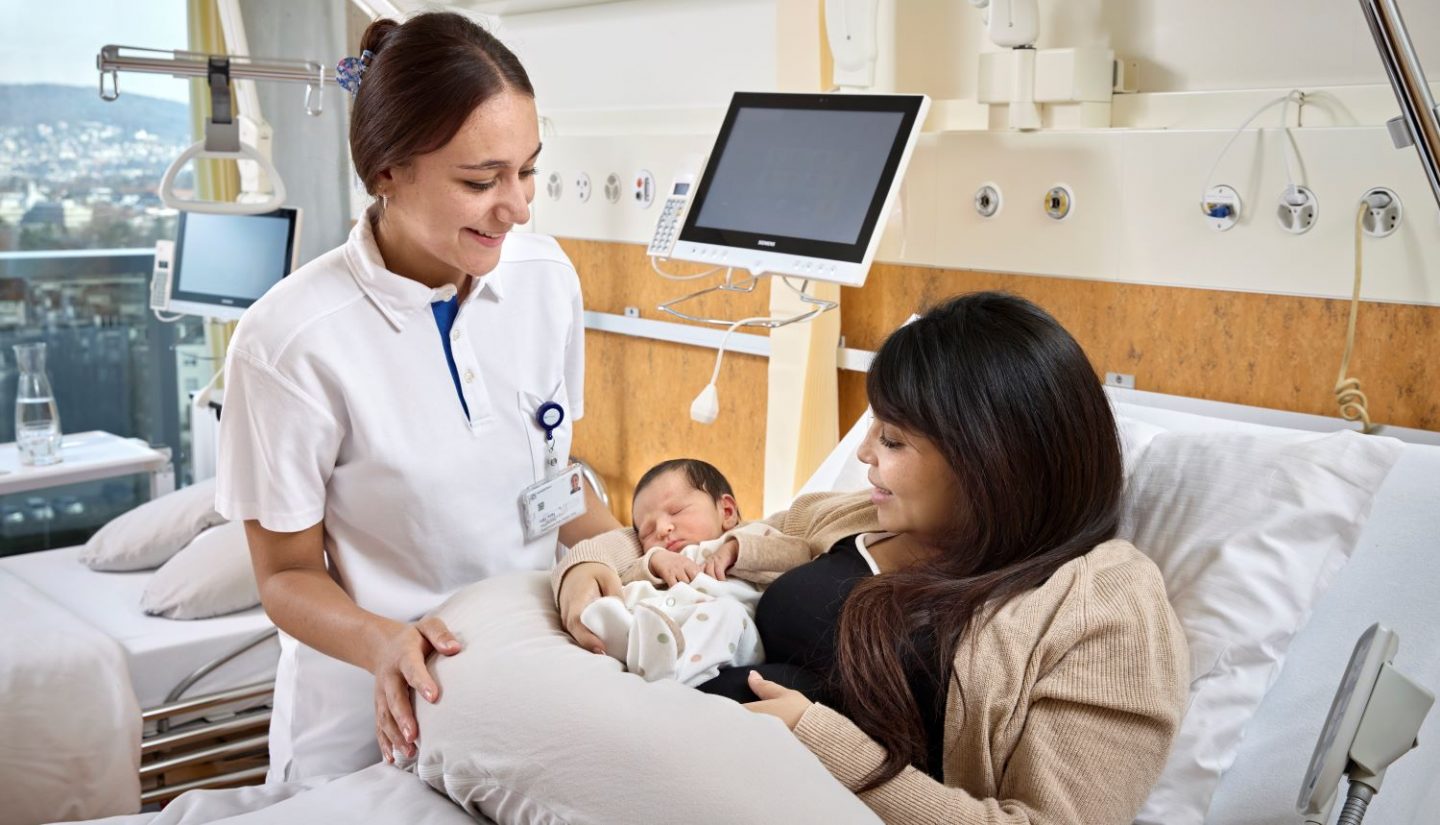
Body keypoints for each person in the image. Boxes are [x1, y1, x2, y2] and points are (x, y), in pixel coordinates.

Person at [554, 292, 1190, 823]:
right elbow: (669, 548)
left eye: (891, 438)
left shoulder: (1104, 605)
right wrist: (586, 568)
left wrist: (816, 741)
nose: (863, 454)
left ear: (990, 459)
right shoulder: (848, 517)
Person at [215, 12, 622, 781]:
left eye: (528, 169)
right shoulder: (290, 341)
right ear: (387, 172)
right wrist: (380, 641)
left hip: (527, 685)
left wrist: (619, 552)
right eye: (481, 180)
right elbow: (286, 575)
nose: (519, 206)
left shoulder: (545, 278)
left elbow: (550, 475)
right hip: (372, 717)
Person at [577, 459, 777, 685]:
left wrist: (735, 549)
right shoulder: (656, 558)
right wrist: (653, 561)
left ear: (727, 511)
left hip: (733, 636)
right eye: (647, 531)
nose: (662, 530)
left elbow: (796, 553)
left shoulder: (753, 534)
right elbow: (622, 575)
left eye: (677, 511)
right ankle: (627, 640)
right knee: (632, 593)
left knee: (727, 613)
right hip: (668, 621)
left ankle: (669, 673)